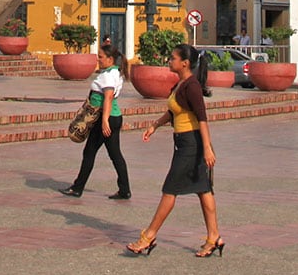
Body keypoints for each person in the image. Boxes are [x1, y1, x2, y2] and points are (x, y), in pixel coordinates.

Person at [124, 44, 222, 257]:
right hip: (183, 142)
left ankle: (148, 236)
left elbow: (202, 118)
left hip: (192, 144)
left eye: (172, 58)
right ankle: (214, 237)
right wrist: (155, 125)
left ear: (185, 63)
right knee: (203, 189)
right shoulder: (181, 84)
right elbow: (173, 111)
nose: (169, 61)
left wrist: (207, 148)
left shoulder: (192, 86)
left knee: (170, 189)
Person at [61, 42, 130, 200]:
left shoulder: (107, 76)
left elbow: (108, 98)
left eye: (101, 57)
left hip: (105, 118)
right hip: (113, 117)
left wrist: (104, 120)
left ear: (110, 59)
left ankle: (78, 188)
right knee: (115, 154)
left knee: (90, 152)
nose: (98, 60)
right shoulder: (115, 73)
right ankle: (124, 189)